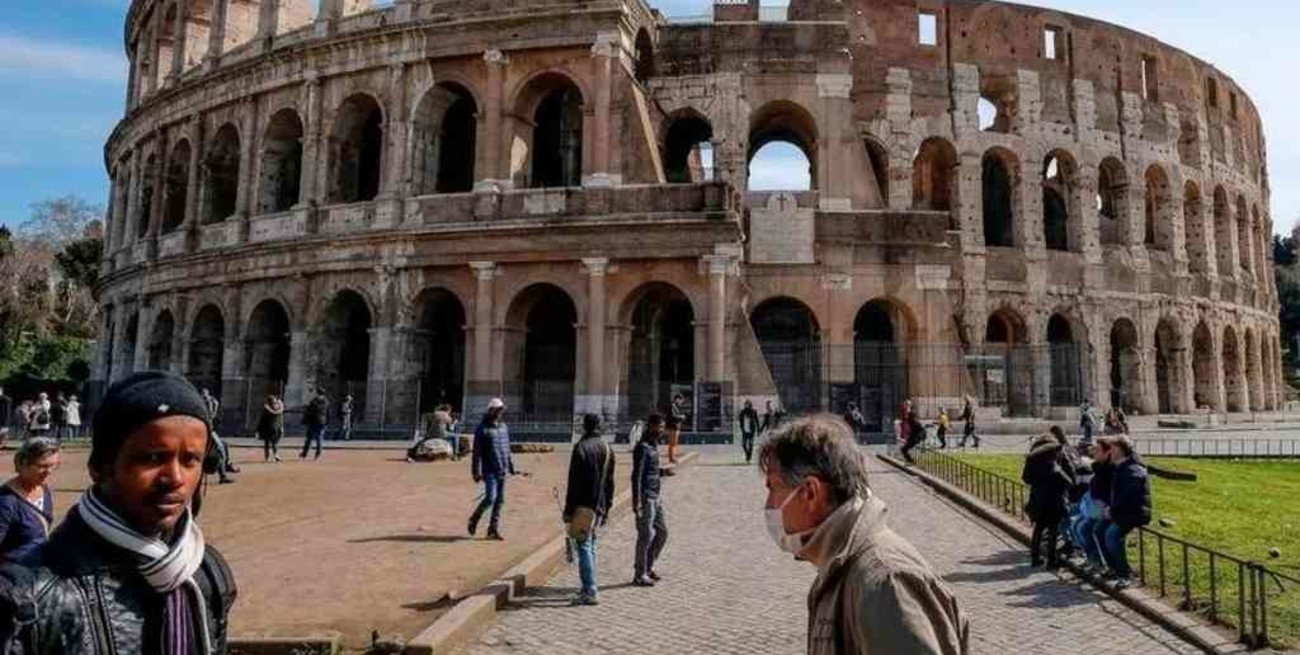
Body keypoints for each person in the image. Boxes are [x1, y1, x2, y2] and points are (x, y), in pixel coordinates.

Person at [0, 371, 237, 654]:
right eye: (152, 458)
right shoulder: (28, 597)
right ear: (100, 466)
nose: (174, 477)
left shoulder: (205, 571)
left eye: (190, 460)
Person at [760, 415, 969, 654]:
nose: (769, 505)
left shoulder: (885, 583)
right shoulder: (835, 569)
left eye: (773, 488)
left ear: (810, 492)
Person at [562, 413, 615, 606]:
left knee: (584, 545)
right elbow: (610, 483)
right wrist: (607, 507)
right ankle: (588, 586)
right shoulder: (608, 449)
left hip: (583, 505)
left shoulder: (581, 448)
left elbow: (573, 483)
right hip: (599, 505)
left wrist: (568, 510)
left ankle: (590, 590)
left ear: (585, 427)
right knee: (591, 545)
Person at [0, 438, 60, 564]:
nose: (49, 472)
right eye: (43, 466)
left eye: (53, 465)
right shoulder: (6, 502)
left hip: (37, 572)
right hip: (13, 576)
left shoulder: (44, 490)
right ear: (24, 463)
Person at [1102, 435, 1151, 589]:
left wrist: (1112, 510)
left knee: (1111, 535)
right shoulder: (1120, 466)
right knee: (1099, 530)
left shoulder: (1132, 468)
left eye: (1114, 448)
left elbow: (1126, 495)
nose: (1111, 451)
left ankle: (1124, 574)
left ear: (1122, 450)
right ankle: (1114, 568)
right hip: (1123, 511)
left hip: (1135, 513)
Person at [1021, 433, 1071, 569]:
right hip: (1054, 500)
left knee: (1038, 529)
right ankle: (1051, 561)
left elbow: (1026, 478)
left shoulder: (1032, 460)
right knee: (1053, 531)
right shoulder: (1053, 463)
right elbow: (1068, 481)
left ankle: (1035, 558)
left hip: (1037, 498)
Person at [469, 398, 514, 540]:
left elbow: (506, 448)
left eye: (501, 411)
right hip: (489, 470)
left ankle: (492, 529)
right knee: (490, 498)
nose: (500, 413)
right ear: (491, 411)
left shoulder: (503, 427)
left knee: (500, 500)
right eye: (498, 410)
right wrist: (475, 472)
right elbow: (476, 453)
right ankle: (474, 518)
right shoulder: (482, 429)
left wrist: (511, 465)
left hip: (502, 469)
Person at [632, 413, 668, 587]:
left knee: (662, 533)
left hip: (656, 495)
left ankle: (648, 565)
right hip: (646, 496)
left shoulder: (654, 445)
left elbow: (651, 470)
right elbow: (637, 476)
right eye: (659, 427)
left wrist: (662, 472)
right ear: (650, 426)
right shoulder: (643, 447)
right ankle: (640, 574)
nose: (661, 430)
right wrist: (637, 500)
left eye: (662, 427)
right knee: (645, 535)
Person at [200, 388, 238, 482]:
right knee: (219, 449)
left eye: (206, 396)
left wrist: (212, 402)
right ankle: (223, 476)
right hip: (204, 432)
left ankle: (227, 466)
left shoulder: (211, 404)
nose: (206, 399)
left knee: (223, 445)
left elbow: (213, 413)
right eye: (204, 396)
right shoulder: (200, 406)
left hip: (209, 430)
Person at [301, 390, 328, 460]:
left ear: (317, 393)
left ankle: (304, 453)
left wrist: (305, 421)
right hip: (322, 421)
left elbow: (309, 412)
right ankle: (318, 453)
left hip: (313, 422)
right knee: (319, 438)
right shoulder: (326, 402)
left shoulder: (314, 401)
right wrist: (327, 422)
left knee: (309, 438)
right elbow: (328, 413)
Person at [257, 394, 285, 462]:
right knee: (274, 442)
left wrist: (258, 429)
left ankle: (267, 456)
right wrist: (281, 426)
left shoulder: (266, 409)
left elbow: (262, 419)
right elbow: (280, 419)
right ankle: (275, 455)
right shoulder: (280, 408)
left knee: (267, 443)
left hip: (268, 428)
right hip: (276, 428)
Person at [667, 394, 687, 464]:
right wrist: (681, 417)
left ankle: (673, 457)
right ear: (677, 399)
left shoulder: (676, 406)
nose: (681, 402)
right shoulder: (672, 406)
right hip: (673, 427)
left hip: (675, 427)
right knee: (672, 443)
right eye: (681, 400)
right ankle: (672, 458)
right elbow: (672, 416)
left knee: (674, 443)